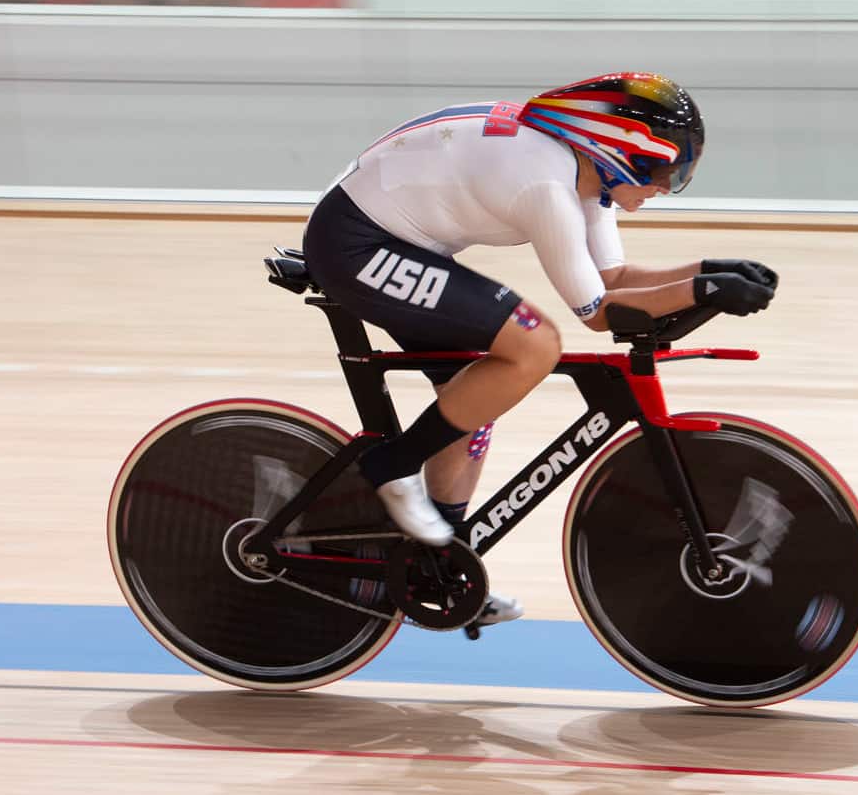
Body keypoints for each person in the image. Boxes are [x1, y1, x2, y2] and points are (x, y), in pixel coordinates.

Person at [300, 72, 777, 625]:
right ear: (622, 153)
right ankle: (392, 465)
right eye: (665, 172)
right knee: (533, 343)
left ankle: (439, 564)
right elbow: (598, 313)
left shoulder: (587, 175)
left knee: (477, 396)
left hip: (396, 241)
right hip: (355, 245)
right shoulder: (545, 186)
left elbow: (615, 276)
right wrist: (703, 289)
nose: (665, 188)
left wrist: (710, 270)